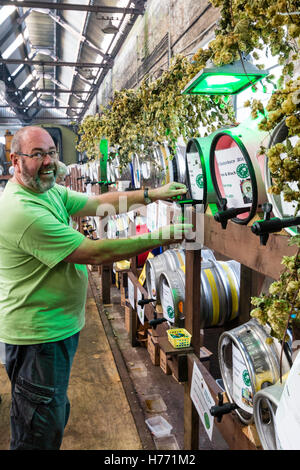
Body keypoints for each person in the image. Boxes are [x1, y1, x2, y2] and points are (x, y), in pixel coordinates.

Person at [0, 125, 190, 450]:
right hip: (37, 337)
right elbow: (96, 252)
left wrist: (152, 194)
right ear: (15, 160)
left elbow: (97, 203)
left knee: (52, 414)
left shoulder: (44, 189)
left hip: (55, 328)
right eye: (37, 155)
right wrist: (162, 236)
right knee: (37, 433)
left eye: (51, 152)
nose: (48, 161)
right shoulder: (22, 211)